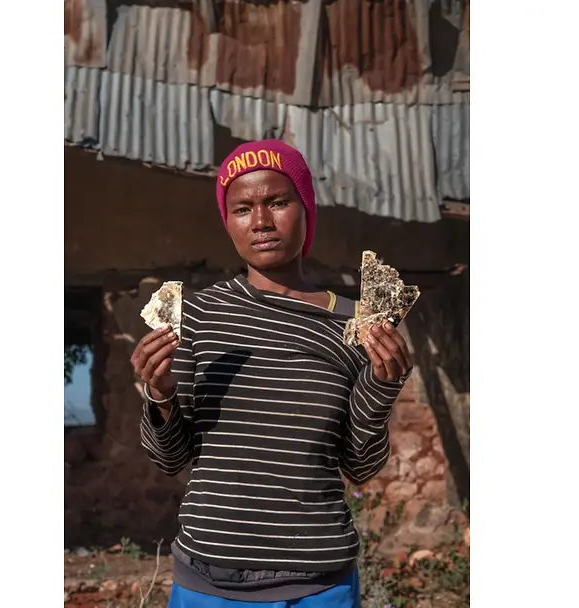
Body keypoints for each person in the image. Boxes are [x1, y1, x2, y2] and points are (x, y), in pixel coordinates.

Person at [132, 139, 412, 607]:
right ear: (227, 222)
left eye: (278, 202)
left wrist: (382, 385)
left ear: (306, 208)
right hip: (209, 582)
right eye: (242, 209)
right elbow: (170, 458)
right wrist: (159, 395)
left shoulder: (354, 326)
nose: (260, 221)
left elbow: (359, 465)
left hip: (319, 583)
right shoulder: (199, 317)